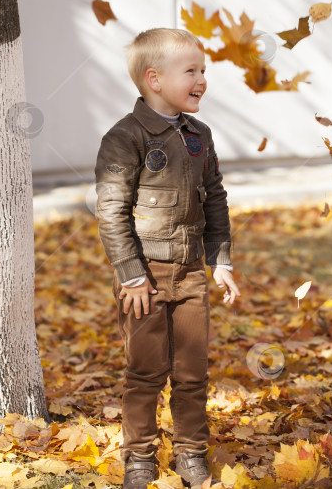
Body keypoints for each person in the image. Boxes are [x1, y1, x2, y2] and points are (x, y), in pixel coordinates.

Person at [94, 28, 240, 489]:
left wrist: (222, 261)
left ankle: (191, 453)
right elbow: (111, 211)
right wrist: (131, 276)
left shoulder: (200, 135)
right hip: (146, 278)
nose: (202, 79)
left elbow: (214, 198)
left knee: (193, 371)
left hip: (191, 273)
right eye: (192, 71)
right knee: (145, 370)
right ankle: (138, 457)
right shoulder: (125, 138)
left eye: (204, 71)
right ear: (154, 79)